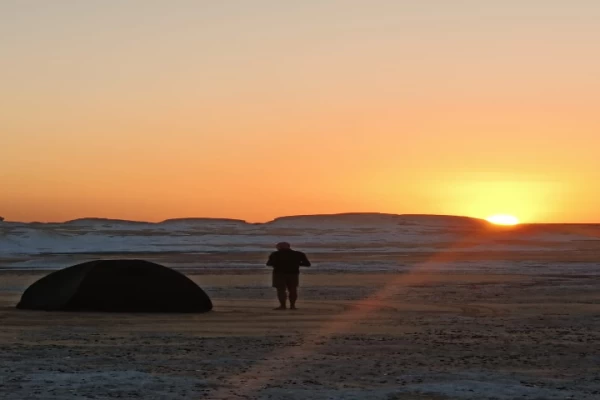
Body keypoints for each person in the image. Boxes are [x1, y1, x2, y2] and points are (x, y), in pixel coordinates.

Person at [266, 242, 311, 310]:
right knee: (293, 290)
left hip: (279, 274)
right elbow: (307, 264)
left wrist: (277, 264)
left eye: (277, 247)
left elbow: (269, 264)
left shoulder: (275, 254)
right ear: (289, 246)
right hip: (293, 274)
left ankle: (283, 306)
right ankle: (292, 306)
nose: (277, 248)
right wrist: (297, 264)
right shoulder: (298, 254)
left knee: (281, 290)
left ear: (279, 247)